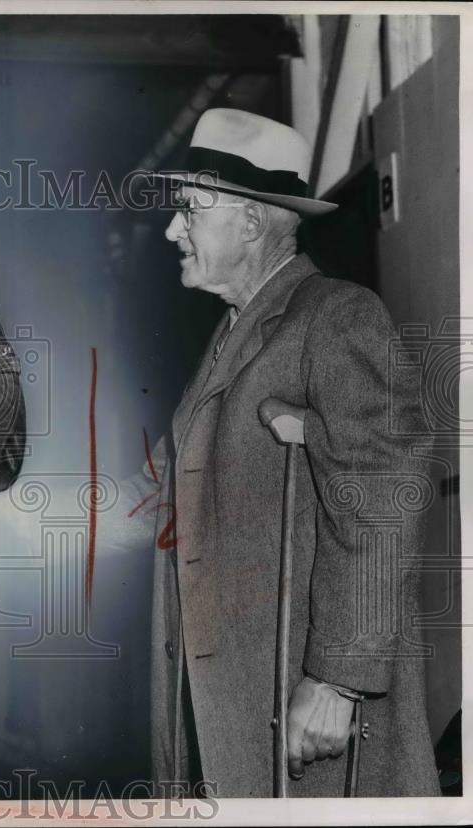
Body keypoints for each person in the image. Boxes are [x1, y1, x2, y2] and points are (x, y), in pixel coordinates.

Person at [106, 109, 439, 797]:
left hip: (302, 716)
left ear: (251, 224)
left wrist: (339, 680)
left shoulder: (336, 317)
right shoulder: (232, 335)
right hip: (227, 716)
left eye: (190, 212)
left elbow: (386, 493)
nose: (173, 229)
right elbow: (172, 494)